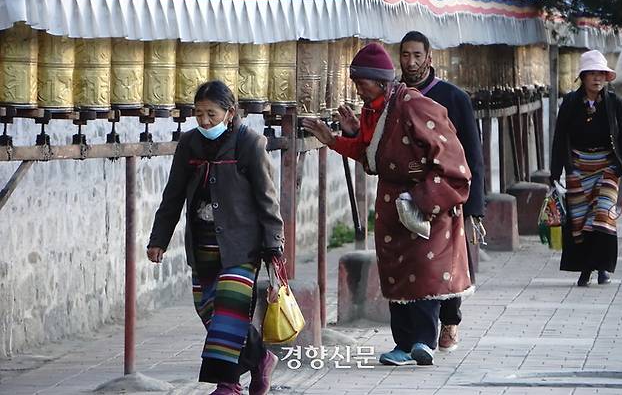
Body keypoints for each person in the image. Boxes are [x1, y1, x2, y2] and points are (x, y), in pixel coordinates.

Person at [301, 43, 473, 366]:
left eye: (361, 83)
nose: (357, 89)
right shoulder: (374, 109)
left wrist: (424, 198)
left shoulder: (412, 105)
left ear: (379, 81)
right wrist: (335, 139)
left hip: (424, 201)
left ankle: (424, 340)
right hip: (392, 205)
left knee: (425, 269)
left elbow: (451, 158)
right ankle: (404, 343)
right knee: (397, 272)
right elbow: (372, 159)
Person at [146, 80, 284, 395]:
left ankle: (228, 385)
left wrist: (274, 247)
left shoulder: (249, 143)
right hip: (202, 248)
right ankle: (261, 358)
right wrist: (158, 240)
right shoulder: (189, 144)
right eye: (199, 114)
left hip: (240, 249)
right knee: (212, 313)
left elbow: (267, 200)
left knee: (228, 314)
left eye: (211, 114)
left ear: (230, 113)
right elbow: (173, 195)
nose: (205, 121)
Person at [399, 30, 484, 353]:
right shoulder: (396, 97)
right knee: (417, 263)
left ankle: (450, 319)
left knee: (448, 262)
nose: (411, 62)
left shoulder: (453, 97)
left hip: (448, 192)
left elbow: (473, 153)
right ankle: (418, 334)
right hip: (409, 195)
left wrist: (475, 205)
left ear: (429, 58)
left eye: (417, 55)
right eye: (406, 55)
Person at [550, 50, 622, 287]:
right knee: (580, 221)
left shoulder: (615, 103)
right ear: (583, 77)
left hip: (608, 168)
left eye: (601, 74)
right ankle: (585, 268)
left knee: (602, 216)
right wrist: (555, 172)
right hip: (578, 168)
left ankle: (602, 269)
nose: (597, 79)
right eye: (592, 74)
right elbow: (560, 138)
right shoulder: (569, 103)